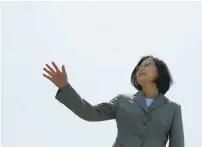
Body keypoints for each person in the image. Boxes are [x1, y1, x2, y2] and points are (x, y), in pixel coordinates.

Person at [42, 55, 184, 147]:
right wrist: (65, 87)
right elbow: (90, 113)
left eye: (147, 65)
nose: (141, 68)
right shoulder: (122, 101)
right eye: (139, 67)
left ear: (159, 72)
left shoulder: (172, 109)